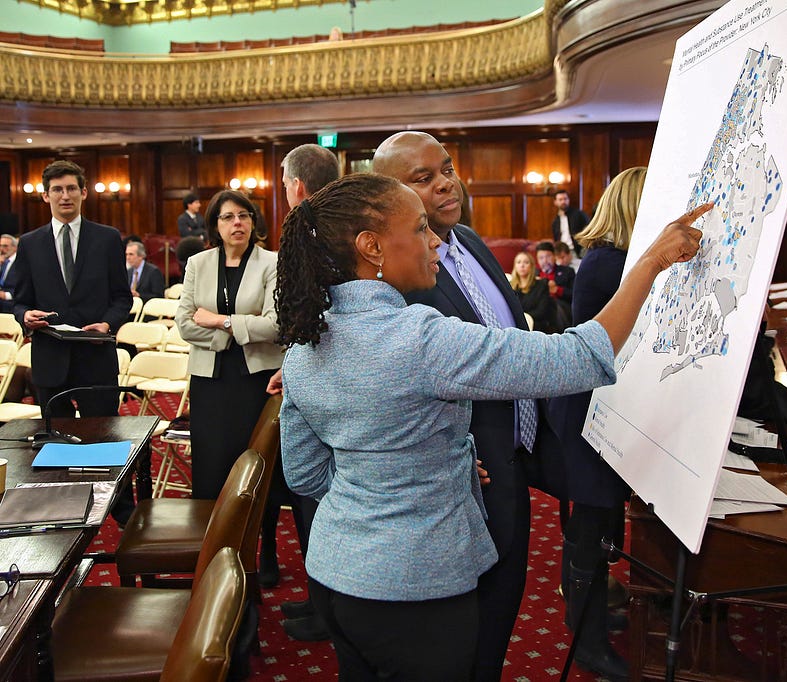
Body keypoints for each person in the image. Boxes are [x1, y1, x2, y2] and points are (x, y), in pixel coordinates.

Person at [276, 173, 709, 681]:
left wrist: (392, 478)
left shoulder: (305, 345)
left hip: (336, 577)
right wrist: (652, 262)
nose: (435, 240)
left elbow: (304, 474)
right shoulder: (418, 339)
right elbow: (577, 357)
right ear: (371, 247)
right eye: (419, 229)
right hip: (416, 587)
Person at [372, 131, 569, 681]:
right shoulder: (396, 272)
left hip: (512, 461)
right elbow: (392, 379)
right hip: (461, 476)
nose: (445, 184)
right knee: (459, 636)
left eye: (448, 169)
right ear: (391, 195)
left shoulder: (471, 242)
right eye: (423, 178)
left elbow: (502, 338)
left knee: (501, 612)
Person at [547, 166, 648, 679]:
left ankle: (593, 611)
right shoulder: (612, 264)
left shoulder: (613, 259)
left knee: (600, 524)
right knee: (588, 529)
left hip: (602, 408)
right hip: (592, 412)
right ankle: (585, 640)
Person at [12, 159, 134, 522]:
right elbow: (20, 299)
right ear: (46, 196)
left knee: (106, 439)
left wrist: (107, 323)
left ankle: (121, 512)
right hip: (51, 358)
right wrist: (25, 315)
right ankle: (62, 515)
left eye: (71, 189)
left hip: (95, 355)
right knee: (57, 444)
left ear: (83, 193)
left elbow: (122, 298)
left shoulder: (108, 237)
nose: (64, 196)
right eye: (57, 190)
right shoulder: (29, 243)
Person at [268, 142, 341, 640]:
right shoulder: (342, 218)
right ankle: (321, 601)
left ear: (295, 186)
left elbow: (311, 312)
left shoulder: (312, 229)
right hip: (319, 370)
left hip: (330, 377)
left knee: (319, 493)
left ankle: (329, 610)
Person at [174, 190, 281, 504]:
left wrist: (220, 322)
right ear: (215, 225)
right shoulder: (198, 263)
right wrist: (235, 331)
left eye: (244, 215)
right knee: (212, 465)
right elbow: (184, 323)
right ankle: (209, 542)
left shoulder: (271, 263)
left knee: (258, 465)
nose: (238, 223)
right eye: (228, 217)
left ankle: (267, 546)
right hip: (210, 380)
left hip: (256, 380)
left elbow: (276, 325)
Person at [509, 251, 556, 333]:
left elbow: (542, 311)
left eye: (526, 262)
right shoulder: (510, 286)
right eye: (518, 262)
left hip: (537, 328)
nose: (522, 265)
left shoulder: (541, 285)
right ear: (515, 266)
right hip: (515, 327)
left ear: (531, 266)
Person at [551, 189, 590, 257]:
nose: (563, 201)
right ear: (555, 202)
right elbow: (556, 239)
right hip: (561, 252)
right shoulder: (555, 221)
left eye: (565, 199)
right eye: (560, 199)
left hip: (577, 251)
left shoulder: (579, 214)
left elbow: (589, 230)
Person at [0, 233, 19, 313]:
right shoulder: (3, 262)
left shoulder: (20, 262)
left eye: (5, 246)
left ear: (15, 247)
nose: (2, 249)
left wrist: (5, 295)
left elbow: (24, 287)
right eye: (0, 246)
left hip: (12, 302)